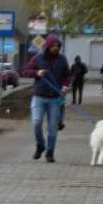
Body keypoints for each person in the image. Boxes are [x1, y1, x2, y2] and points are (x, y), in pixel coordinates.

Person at [22, 34, 71, 163]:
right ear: (48, 46)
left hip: (55, 99)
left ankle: (50, 152)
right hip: (39, 97)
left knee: (53, 128)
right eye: (53, 46)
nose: (56, 48)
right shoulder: (38, 58)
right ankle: (40, 145)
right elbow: (26, 71)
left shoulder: (62, 59)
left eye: (58, 46)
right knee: (37, 122)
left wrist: (65, 86)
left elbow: (67, 75)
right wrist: (37, 73)